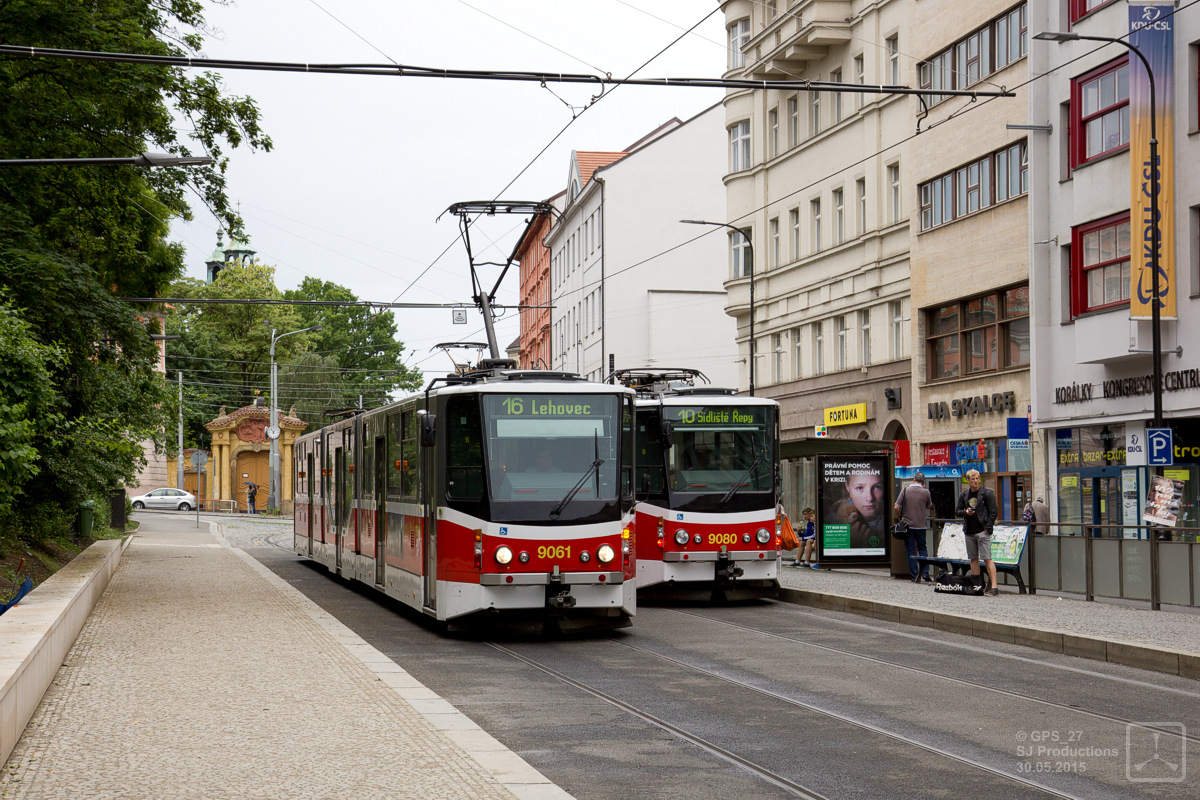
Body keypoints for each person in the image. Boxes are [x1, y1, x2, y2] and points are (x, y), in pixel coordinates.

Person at [955, 469, 999, 596]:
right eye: (972, 479)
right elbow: (957, 511)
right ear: (968, 480)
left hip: (982, 531)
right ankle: (977, 586)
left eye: (977, 478)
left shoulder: (987, 493)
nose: (975, 481)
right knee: (973, 559)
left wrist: (988, 528)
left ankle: (994, 587)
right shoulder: (964, 495)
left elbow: (993, 512)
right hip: (969, 531)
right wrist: (965, 512)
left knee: (987, 558)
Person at [895, 472, 934, 583]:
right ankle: (925, 572)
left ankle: (915, 575)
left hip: (908, 526)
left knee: (911, 551)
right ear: (923, 482)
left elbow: (896, 507)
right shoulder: (926, 492)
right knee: (923, 548)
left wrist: (900, 518)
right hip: (921, 526)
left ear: (913, 479)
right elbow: (929, 505)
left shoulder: (905, 491)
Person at [830, 469, 886, 547]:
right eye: (859, 488)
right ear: (847, 487)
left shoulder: (890, 518)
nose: (869, 498)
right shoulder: (834, 518)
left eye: (877, 487)